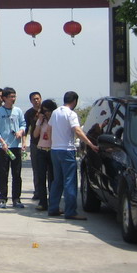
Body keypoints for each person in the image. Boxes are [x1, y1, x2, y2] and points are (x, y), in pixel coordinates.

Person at [47, 91, 97, 220]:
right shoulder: (71, 114)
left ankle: (53, 208)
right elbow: (77, 130)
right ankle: (70, 211)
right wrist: (90, 144)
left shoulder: (55, 112)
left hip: (55, 150)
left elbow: (49, 129)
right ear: (74, 101)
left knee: (57, 180)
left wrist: (53, 143)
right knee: (70, 181)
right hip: (67, 150)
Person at [0, 87, 26, 208]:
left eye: (14, 96)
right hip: (3, 147)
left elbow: (23, 124)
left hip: (15, 146)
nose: (13, 99)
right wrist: (2, 142)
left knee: (16, 174)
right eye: (11, 97)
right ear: (4, 98)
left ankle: (16, 199)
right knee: (3, 173)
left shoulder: (18, 111)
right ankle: (3, 199)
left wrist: (20, 131)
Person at [32, 99, 57, 211]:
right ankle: (42, 202)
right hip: (41, 150)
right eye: (45, 111)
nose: (47, 113)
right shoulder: (41, 120)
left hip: (52, 150)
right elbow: (35, 135)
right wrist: (40, 121)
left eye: (48, 111)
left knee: (52, 178)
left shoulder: (55, 120)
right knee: (41, 177)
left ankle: (53, 202)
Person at [24, 91, 43, 199]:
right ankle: (38, 192)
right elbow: (25, 128)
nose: (36, 101)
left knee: (49, 170)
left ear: (41, 99)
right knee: (36, 169)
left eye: (37, 98)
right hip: (35, 143)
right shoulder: (29, 113)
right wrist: (23, 142)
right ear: (31, 101)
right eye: (34, 99)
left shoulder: (46, 111)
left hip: (48, 144)